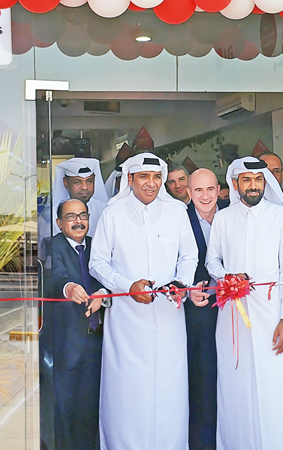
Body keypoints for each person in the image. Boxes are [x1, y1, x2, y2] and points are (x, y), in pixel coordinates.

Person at [89, 153, 200, 450]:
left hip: (169, 317)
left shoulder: (177, 211)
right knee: (127, 392)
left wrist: (181, 283)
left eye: (155, 177)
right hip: (127, 320)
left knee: (169, 391)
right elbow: (97, 263)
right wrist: (127, 286)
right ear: (130, 179)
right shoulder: (113, 213)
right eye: (143, 177)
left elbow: (189, 256)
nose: (151, 184)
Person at [206, 158, 283, 450]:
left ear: (266, 182)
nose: (253, 185)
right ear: (236, 183)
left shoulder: (281, 217)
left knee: (277, 387)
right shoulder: (223, 218)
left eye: (258, 180)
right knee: (236, 386)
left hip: (272, 315)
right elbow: (211, 260)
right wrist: (225, 276)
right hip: (232, 317)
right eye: (247, 180)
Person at [40, 198, 106, 450]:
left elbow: (108, 275)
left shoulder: (97, 245)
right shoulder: (49, 245)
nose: (78, 221)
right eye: (71, 217)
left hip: (97, 338)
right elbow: (53, 277)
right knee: (64, 405)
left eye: (83, 216)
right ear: (59, 222)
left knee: (91, 404)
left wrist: (102, 293)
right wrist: (69, 287)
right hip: (66, 342)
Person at [184, 168, 220, 450]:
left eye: (210, 189)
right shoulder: (178, 219)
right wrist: (186, 290)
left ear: (219, 190)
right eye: (198, 190)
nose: (205, 196)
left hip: (235, 313)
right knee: (203, 381)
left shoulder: (234, 215)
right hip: (198, 316)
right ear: (188, 193)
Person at [52, 157, 109, 236]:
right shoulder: (53, 214)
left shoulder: (105, 210)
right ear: (65, 182)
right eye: (77, 182)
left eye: (89, 181)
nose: (85, 187)